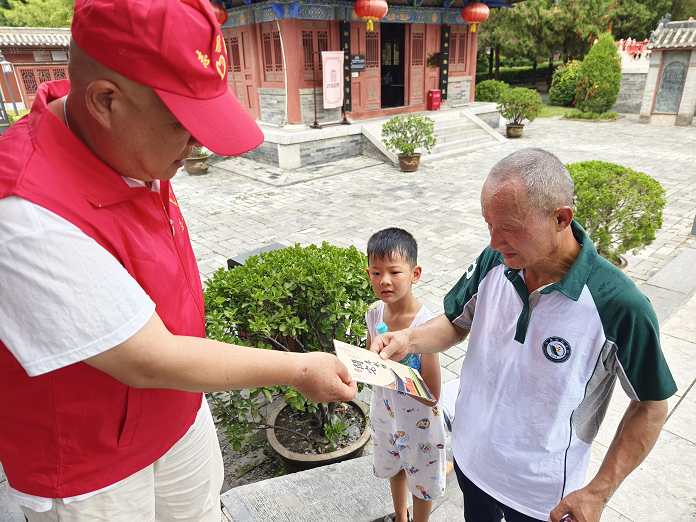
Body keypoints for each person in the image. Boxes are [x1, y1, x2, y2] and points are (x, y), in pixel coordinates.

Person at [0, 1, 356, 521]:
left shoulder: (124, 144)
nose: (197, 143)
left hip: (177, 409)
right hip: (91, 466)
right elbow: (147, 358)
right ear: (105, 101)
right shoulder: (24, 211)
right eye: (180, 123)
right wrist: (299, 368)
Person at [370, 148, 676, 522]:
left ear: (561, 218)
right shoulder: (494, 261)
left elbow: (651, 405)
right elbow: (455, 322)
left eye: (510, 228)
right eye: (489, 225)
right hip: (470, 460)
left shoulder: (618, 304)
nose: (495, 242)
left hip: (541, 495)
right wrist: (409, 339)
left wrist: (599, 491)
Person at [365, 228, 447, 522]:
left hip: (419, 422)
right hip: (385, 414)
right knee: (396, 468)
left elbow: (432, 394)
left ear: (415, 274)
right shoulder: (374, 314)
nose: (384, 280)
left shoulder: (426, 326)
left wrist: (399, 372)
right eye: (376, 273)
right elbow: (371, 362)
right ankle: (401, 516)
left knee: (422, 481)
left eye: (394, 272)